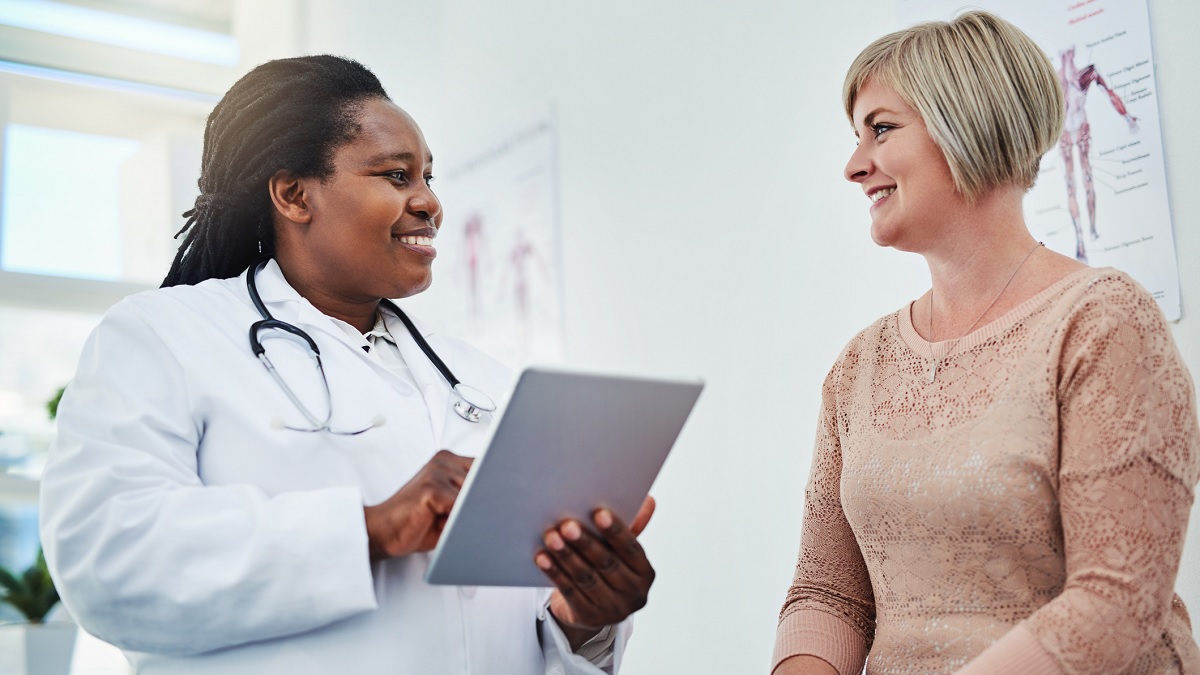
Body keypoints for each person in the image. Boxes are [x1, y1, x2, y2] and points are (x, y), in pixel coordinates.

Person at [38, 55, 655, 675]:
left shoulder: (480, 382)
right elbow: (110, 562)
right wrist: (369, 530)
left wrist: (585, 618)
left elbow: (516, 636)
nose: (429, 203)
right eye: (396, 175)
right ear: (293, 195)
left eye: (429, 177)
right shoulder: (163, 337)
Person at [772, 11, 1198, 675]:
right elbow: (828, 592)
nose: (856, 166)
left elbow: (1116, 601)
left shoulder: (1102, 323)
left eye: (881, 129)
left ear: (964, 122)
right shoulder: (860, 365)